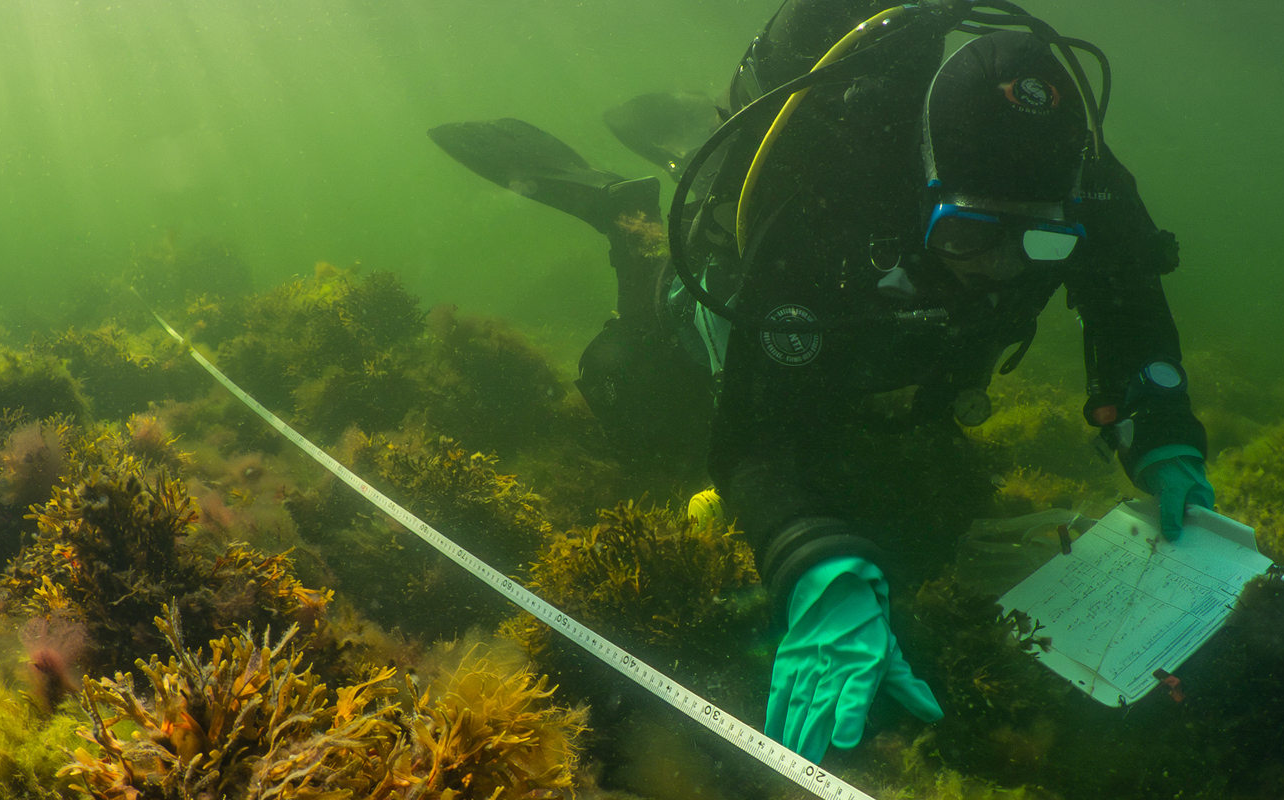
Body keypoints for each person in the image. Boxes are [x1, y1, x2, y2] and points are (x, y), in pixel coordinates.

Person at [429, 0, 1217, 764]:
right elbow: (750, 430)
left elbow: (1128, 299)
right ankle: (623, 213)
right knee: (639, 404)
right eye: (973, 232)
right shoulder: (825, 188)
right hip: (779, 297)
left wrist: (1162, 433)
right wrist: (812, 561)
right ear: (923, 188)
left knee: (915, 504)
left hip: (892, 358)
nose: (1002, 268)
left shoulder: (1078, 177)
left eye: (1042, 244)